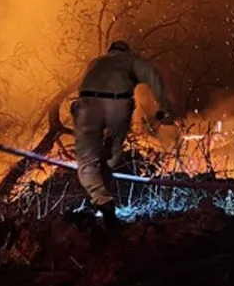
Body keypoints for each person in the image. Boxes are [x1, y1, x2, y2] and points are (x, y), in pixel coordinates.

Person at [72, 40, 173, 225]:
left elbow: (82, 84)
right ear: (126, 51)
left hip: (87, 105)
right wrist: (164, 108)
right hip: (117, 105)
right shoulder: (131, 60)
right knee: (112, 154)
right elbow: (153, 76)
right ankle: (108, 162)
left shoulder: (95, 62)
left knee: (86, 159)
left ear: (109, 51)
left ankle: (102, 200)